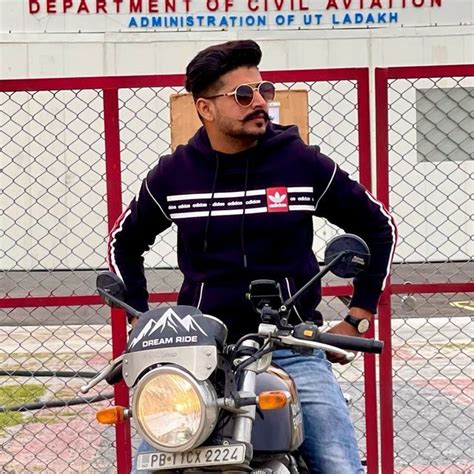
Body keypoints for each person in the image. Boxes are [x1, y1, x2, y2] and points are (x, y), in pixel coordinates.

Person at [108, 40, 397, 473]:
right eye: (243, 95)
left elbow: (377, 226)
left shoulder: (300, 162)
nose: (260, 102)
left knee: (339, 465)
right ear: (205, 108)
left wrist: (358, 316)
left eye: (264, 90)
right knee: (151, 465)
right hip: (201, 354)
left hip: (292, 345)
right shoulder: (176, 174)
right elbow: (124, 242)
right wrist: (139, 316)